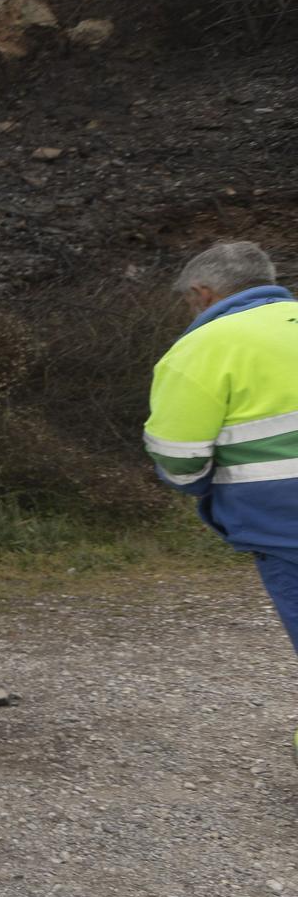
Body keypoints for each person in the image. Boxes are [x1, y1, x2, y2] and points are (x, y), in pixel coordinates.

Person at [143, 241, 298, 756]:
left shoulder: (204, 347)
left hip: (286, 524)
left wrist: (202, 488)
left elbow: (178, 458)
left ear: (203, 293)